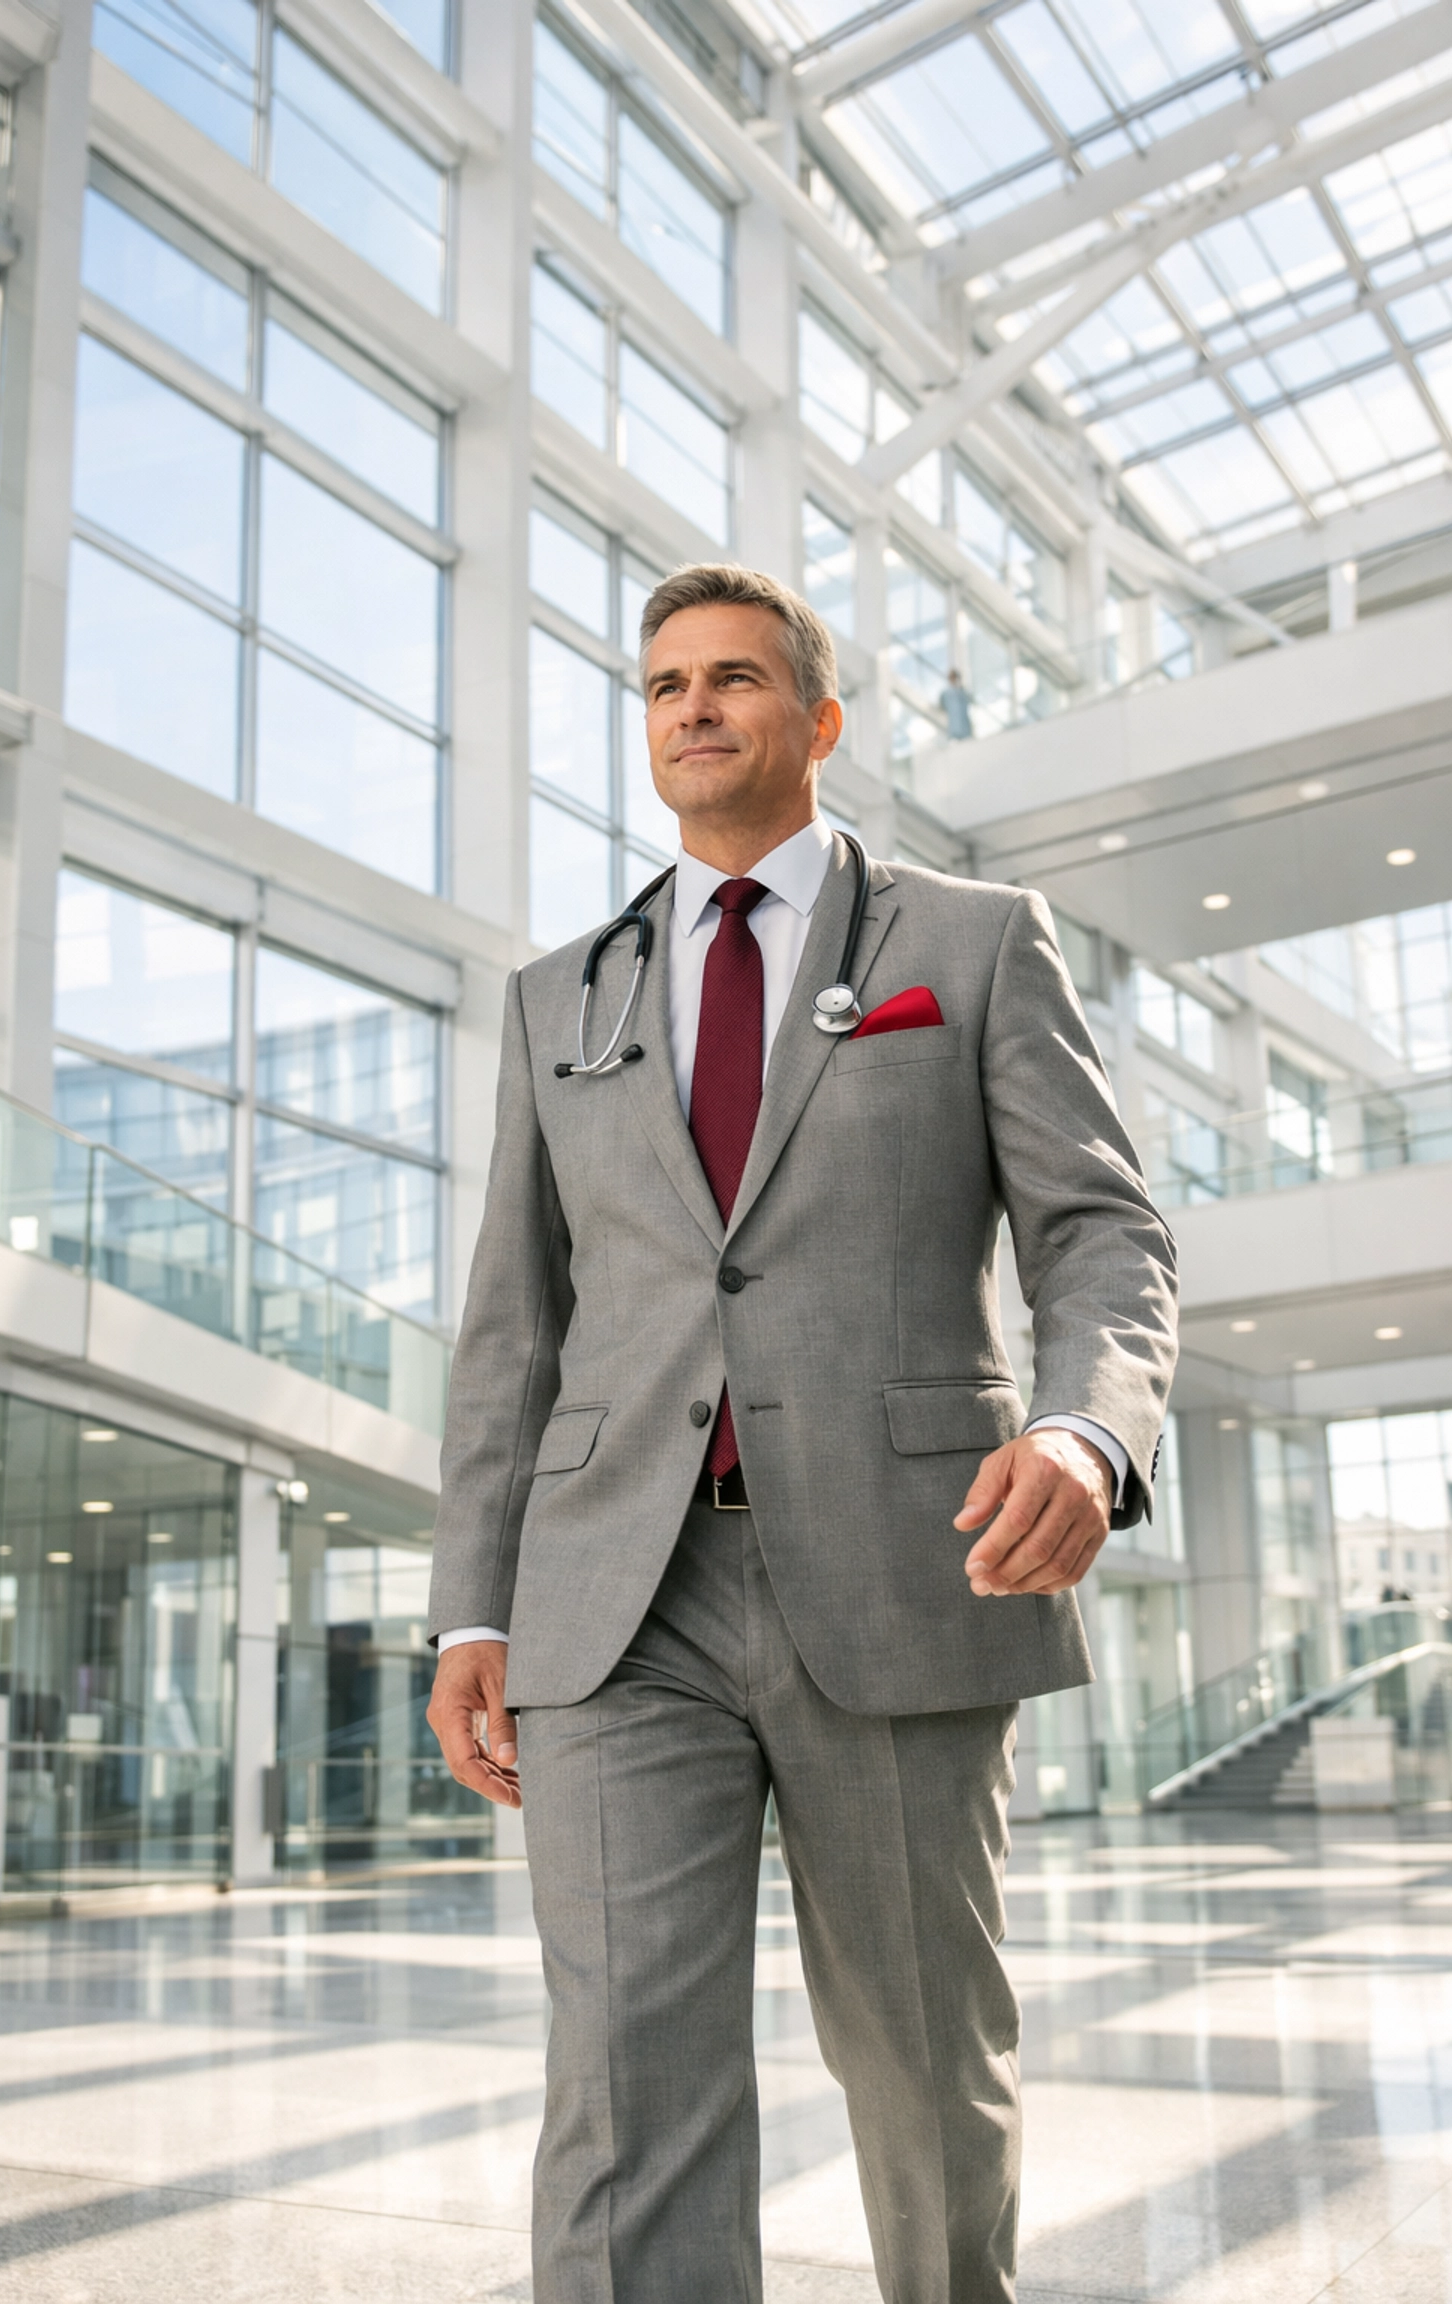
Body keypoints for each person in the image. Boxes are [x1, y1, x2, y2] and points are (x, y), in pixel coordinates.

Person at [427, 563, 1177, 2303]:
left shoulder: (972, 943)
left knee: (923, 2065)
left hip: (915, 1565)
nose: (693, 705)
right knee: (621, 2077)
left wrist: (1083, 1433)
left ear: (818, 722)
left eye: (736, 678)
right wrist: (475, 1607)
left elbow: (1102, 1232)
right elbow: (511, 1328)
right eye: (665, 682)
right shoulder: (559, 998)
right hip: (617, 1592)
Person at [943, 665, 973, 739]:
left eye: (955, 677)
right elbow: (943, 706)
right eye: (952, 678)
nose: (954, 680)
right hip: (954, 728)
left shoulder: (962, 691)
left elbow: (969, 702)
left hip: (965, 727)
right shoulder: (946, 693)